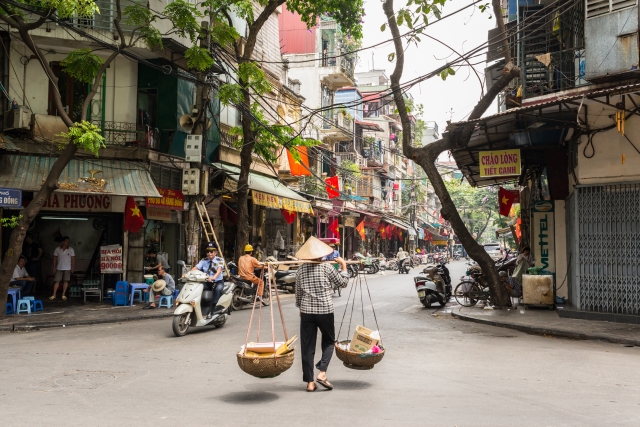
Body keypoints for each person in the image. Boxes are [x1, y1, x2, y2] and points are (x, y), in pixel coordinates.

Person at [295, 236, 349, 392]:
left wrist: (300, 307)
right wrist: (344, 265)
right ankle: (322, 372)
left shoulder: (301, 269)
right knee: (329, 342)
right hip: (325, 310)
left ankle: (310, 382)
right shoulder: (326, 267)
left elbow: (298, 293)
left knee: (307, 346)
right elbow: (343, 283)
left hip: (306, 311)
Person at [188, 242, 225, 319]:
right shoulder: (203, 261)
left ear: (215, 252)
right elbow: (196, 268)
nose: (209, 253)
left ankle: (211, 311)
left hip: (217, 282)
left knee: (218, 290)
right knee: (197, 288)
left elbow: (219, 270)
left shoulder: (220, 260)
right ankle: (196, 308)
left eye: (211, 251)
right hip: (207, 282)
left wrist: (213, 277)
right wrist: (187, 274)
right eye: (208, 251)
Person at [50, 236, 75, 301]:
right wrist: (54, 267)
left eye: (68, 241)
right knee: (57, 281)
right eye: (66, 241)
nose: (68, 242)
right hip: (59, 267)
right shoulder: (57, 249)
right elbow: (55, 258)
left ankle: (63, 294)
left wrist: (72, 267)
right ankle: (54, 294)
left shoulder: (71, 249)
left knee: (66, 281)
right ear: (62, 242)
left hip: (67, 268)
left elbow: (73, 259)